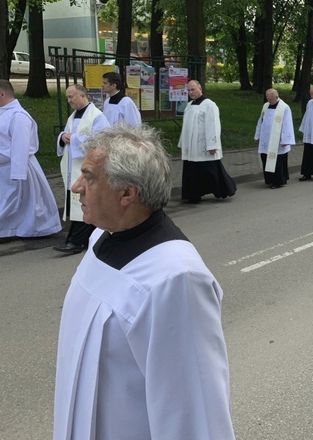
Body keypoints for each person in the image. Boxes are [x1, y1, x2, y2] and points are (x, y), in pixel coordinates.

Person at [52, 124, 235, 440]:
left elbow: (194, 412)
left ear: (127, 193)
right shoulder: (101, 237)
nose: (77, 186)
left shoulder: (176, 278)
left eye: (90, 178)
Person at [0, 80, 61, 239]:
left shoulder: (19, 116)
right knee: (7, 201)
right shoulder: (3, 113)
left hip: (16, 167)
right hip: (2, 169)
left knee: (24, 203)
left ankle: (31, 229)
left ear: (2, 94)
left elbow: (21, 146)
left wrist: (18, 173)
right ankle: (8, 229)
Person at [53, 84, 110, 254]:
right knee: (77, 203)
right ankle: (80, 238)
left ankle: (76, 241)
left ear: (83, 96)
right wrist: (62, 137)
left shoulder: (97, 117)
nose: (69, 100)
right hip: (73, 166)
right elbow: (66, 134)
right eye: (67, 98)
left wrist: (75, 138)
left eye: (71, 97)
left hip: (88, 167)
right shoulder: (73, 116)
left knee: (84, 202)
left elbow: (101, 140)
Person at [178, 80, 236, 203]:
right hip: (191, 147)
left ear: (200, 89)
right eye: (188, 90)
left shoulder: (209, 105)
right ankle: (193, 195)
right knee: (192, 170)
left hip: (203, 145)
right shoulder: (189, 106)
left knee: (211, 170)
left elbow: (213, 126)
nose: (190, 92)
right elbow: (186, 126)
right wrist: (183, 142)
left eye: (193, 89)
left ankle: (225, 189)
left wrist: (212, 145)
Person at [255, 88, 296, 189]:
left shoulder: (284, 108)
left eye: (270, 99)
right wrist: (258, 135)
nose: (268, 101)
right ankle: (269, 179)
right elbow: (261, 121)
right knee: (266, 158)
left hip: (278, 140)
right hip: (266, 138)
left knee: (277, 161)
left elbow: (287, 124)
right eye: (267, 99)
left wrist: (285, 140)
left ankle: (278, 181)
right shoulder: (265, 106)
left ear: (276, 97)